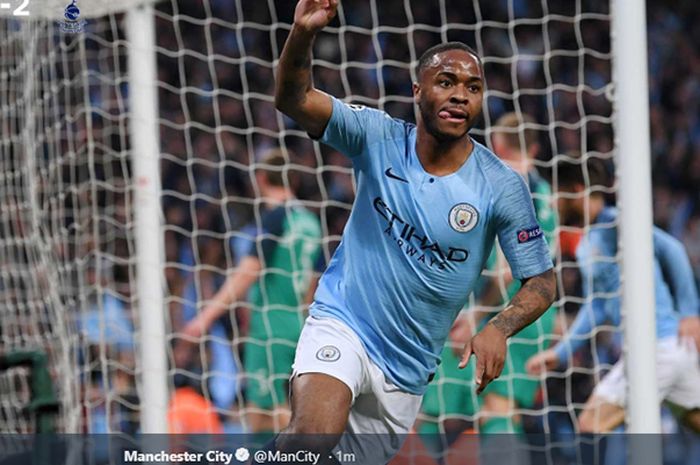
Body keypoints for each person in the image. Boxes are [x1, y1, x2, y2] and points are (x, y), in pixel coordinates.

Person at [268, 1, 556, 462]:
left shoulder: (502, 186)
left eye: (473, 87)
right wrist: (302, 31)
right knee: (311, 438)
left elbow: (542, 281)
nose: (461, 94)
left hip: (406, 371)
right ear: (418, 89)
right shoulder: (375, 136)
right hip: (344, 323)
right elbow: (293, 99)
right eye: (447, 82)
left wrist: (499, 327)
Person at [526, 158, 700, 434]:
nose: (552, 203)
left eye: (558, 194)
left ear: (578, 190)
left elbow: (673, 249)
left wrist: (690, 313)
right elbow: (597, 306)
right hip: (666, 350)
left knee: (590, 423)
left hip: (658, 348)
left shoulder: (617, 226)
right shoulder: (587, 245)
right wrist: (561, 353)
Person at [420, 112, 559, 443]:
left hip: (501, 309)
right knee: (487, 411)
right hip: (537, 312)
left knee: (454, 414)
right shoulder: (545, 193)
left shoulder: (503, 185)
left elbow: (505, 270)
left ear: (496, 144)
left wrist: (476, 316)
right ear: (535, 148)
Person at [176, 149, 322, 433]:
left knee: (265, 411)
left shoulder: (274, 219)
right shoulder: (310, 222)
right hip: (299, 327)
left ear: (260, 178)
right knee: (281, 406)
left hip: (269, 327)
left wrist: (204, 318)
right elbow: (314, 282)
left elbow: (248, 272)